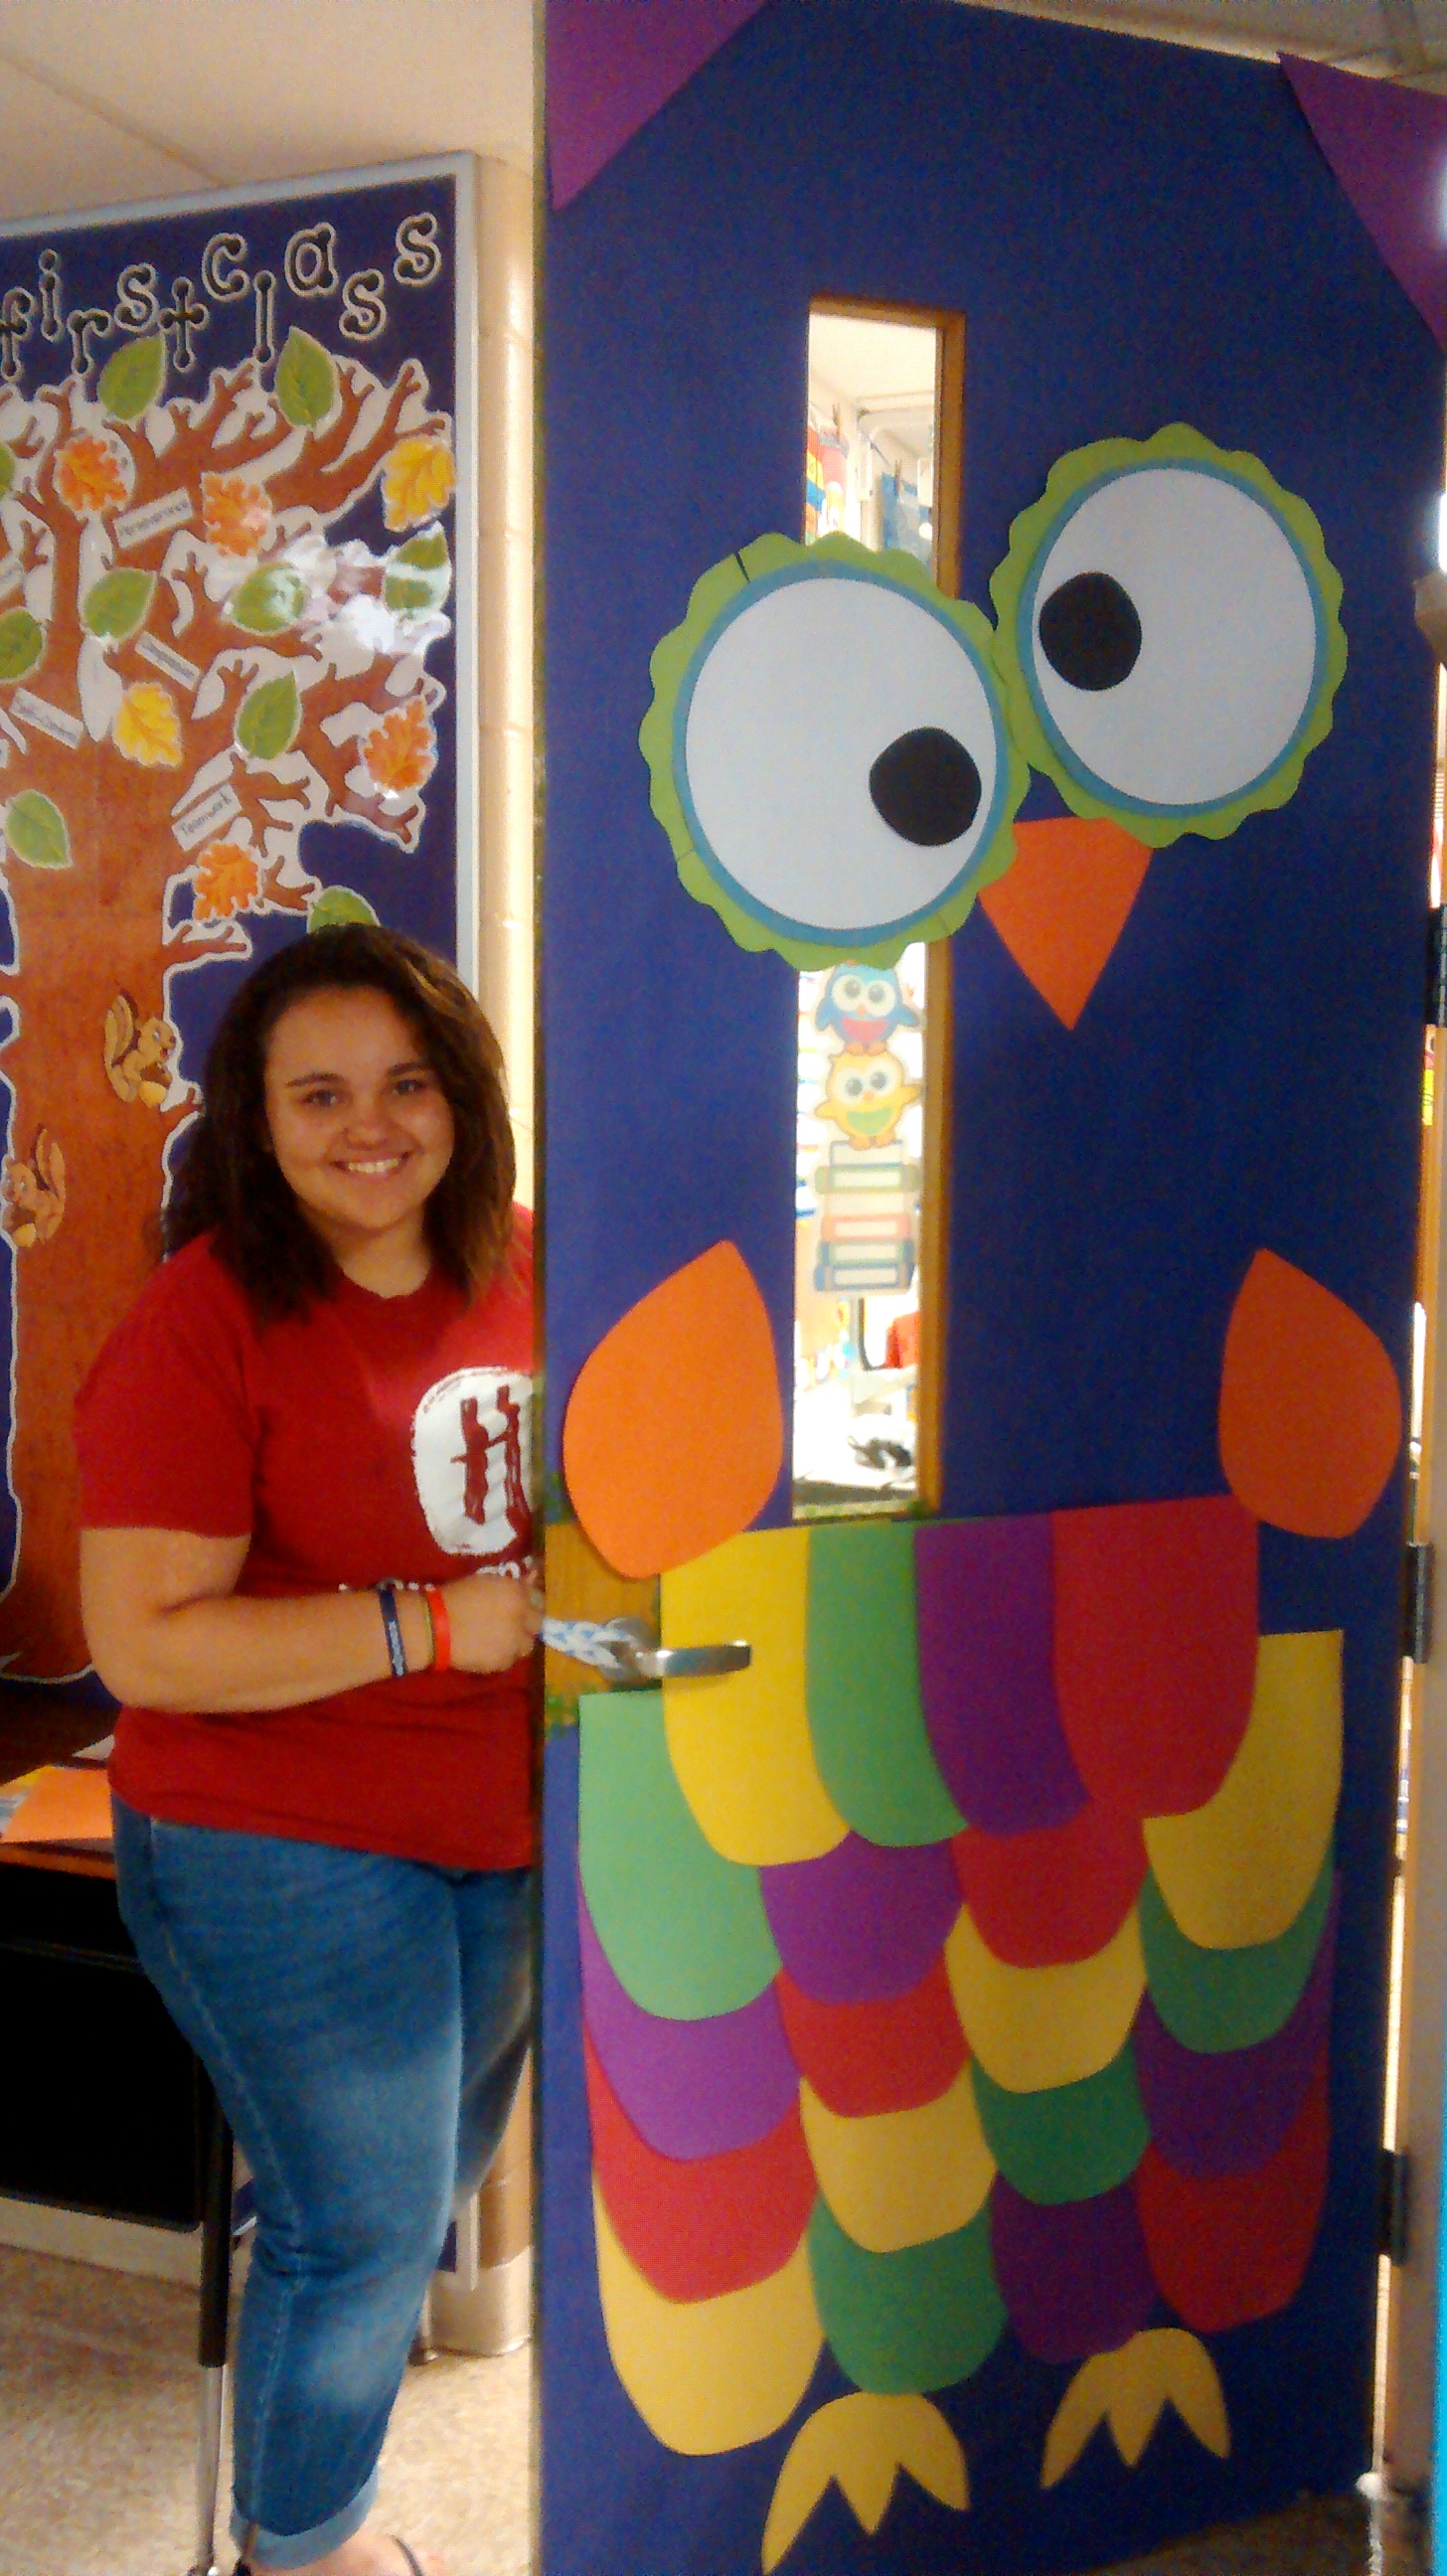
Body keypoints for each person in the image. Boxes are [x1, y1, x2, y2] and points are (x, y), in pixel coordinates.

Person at [76, 924, 542, 2576]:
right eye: (321, 1093)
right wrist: (429, 1625)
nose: (372, 1126)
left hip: (503, 1821)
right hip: (273, 1835)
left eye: (408, 1082)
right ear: (258, 1120)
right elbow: (147, 1644)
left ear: (464, 1096)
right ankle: (303, 2554)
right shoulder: (203, 1323)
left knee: (422, 2197)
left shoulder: (536, 1261)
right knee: (359, 2229)